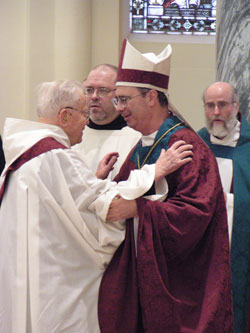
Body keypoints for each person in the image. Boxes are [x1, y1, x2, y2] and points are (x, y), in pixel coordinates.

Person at [0, 79, 193, 333]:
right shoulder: (54, 155)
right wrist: (154, 171)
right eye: (83, 113)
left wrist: (94, 180)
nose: (87, 122)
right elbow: (107, 206)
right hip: (59, 281)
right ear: (65, 116)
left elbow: (69, 204)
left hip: (29, 273)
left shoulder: (26, 153)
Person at [97, 39, 233, 332]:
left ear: (150, 97)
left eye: (124, 99)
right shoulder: (139, 145)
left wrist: (137, 209)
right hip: (139, 273)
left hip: (180, 285)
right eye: (117, 100)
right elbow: (115, 203)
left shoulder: (186, 147)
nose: (119, 109)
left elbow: (195, 215)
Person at [198, 81, 250, 333]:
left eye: (222, 105)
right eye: (210, 105)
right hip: (202, 252)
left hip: (241, 250)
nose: (216, 112)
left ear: (236, 106)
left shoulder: (248, 147)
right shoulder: (196, 145)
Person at [73, 64, 141, 179]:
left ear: (119, 94)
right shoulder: (73, 135)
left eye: (103, 90)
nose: (94, 96)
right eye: (89, 90)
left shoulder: (136, 137)